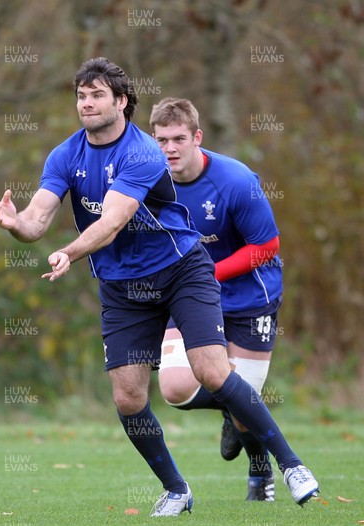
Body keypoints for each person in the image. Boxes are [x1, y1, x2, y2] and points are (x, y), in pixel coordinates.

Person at [0, 57, 319, 516]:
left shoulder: (142, 152)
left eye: (97, 95)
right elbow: (37, 218)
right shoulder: (64, 155)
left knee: (211, 372)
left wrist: (69, 252)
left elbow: (112, 220)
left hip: (180, 269)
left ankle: (292, 466)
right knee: (128, 396)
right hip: (122, 287)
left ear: (121, 102)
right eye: (81, 96)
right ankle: (177, 490)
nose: (86, 104)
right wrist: (14, 224)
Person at [150, 97, 284, 501]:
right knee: (175, 388)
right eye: (160, 140)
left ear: (197, 138)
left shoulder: (237, 180)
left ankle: (260, 472)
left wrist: (209, 273)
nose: (169, 148)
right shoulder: (148, 181)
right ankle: (232, 403)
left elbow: (267, 246)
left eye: (178, 139)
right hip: (189, 295)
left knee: (243, 401)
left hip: (250, 298)